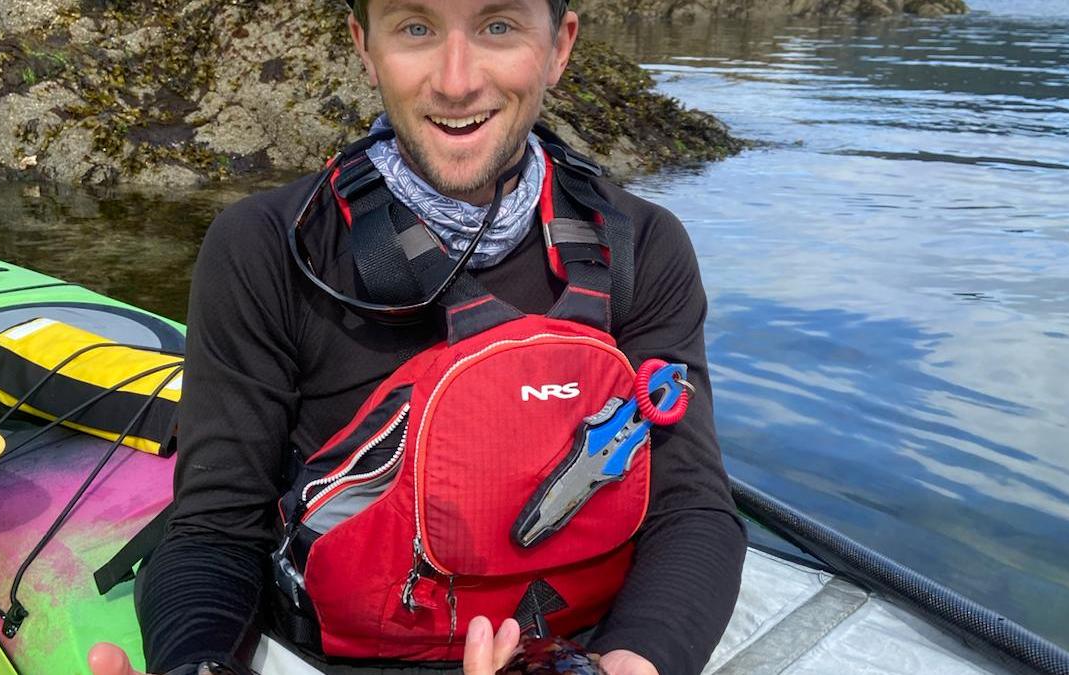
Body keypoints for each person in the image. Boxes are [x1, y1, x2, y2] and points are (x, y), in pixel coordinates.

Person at [87, 0, 746, 673]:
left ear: (559, 47)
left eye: (498, 26)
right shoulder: (266, 247)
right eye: (415, 28)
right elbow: (217, 529)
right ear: (363, 46)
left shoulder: (643, 246)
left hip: (576, 652)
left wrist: (634, 661)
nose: (456, 81)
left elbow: (691, 506)